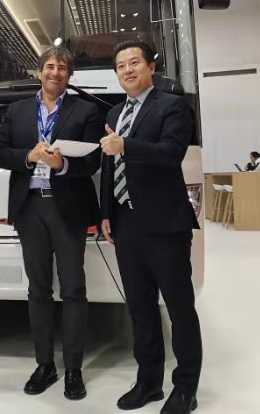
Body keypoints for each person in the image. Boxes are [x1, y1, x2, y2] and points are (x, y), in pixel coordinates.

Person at [0, 46, 103, 401]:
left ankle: (73, 369)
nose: (56, 72)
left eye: (63, 68)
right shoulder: (18, 110)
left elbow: (93, 162)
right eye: (50, 66)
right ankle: (44, 365)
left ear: (70, 75)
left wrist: (62, 165)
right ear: (40, 71)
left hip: (68, 208)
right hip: (30, 209)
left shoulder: (86, 111)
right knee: (38, 289)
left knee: (73, 290)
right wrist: (29, 155)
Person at [99, 40, 202, 414]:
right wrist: (106, 212)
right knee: (140, 308)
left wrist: (125, 145)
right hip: (126, 223)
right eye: (121, 65)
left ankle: (186, 388)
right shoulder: (115, 112)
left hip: (165, 225)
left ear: (151, 67)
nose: (127, 70)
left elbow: (171, 153)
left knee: (179, 309)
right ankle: (148, 381)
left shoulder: (172, 106)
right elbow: (109, 166)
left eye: (134, 63)